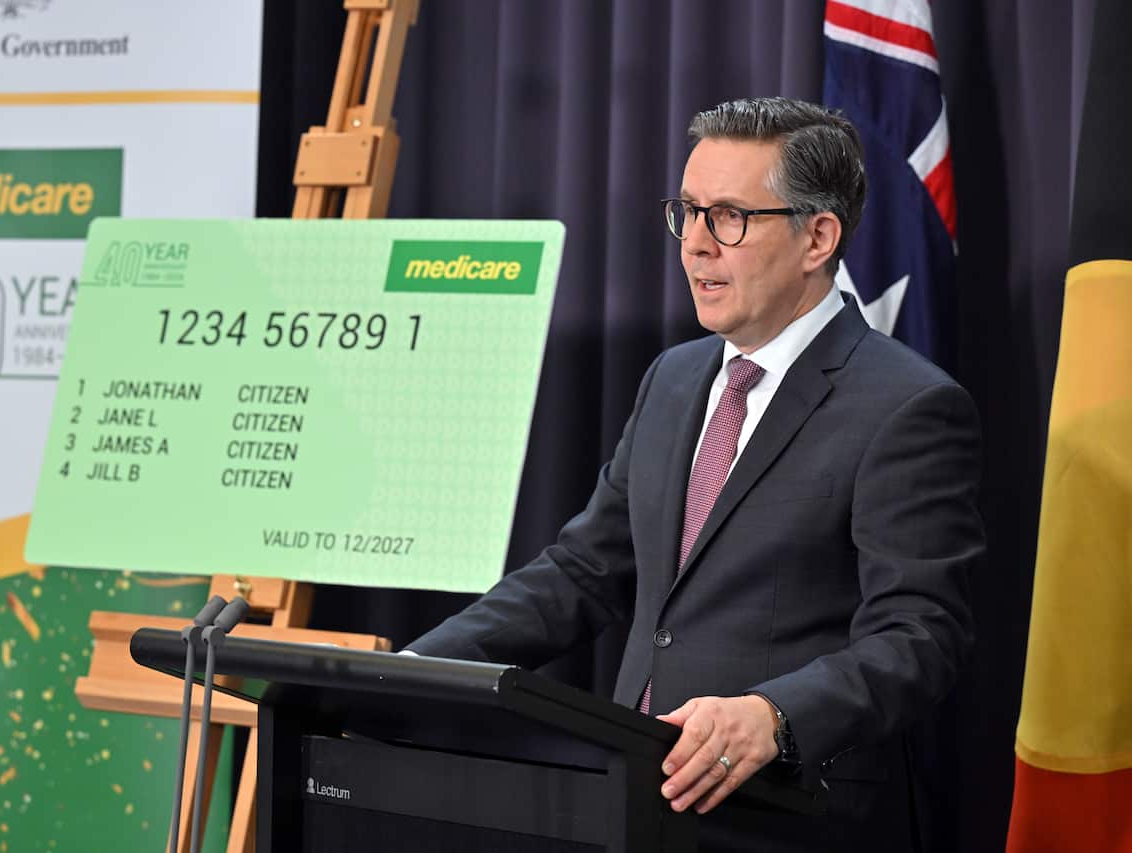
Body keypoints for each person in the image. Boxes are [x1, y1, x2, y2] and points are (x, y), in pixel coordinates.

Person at [405, 97, 983, 851]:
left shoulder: (907, 406)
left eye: (731, 217)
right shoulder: (674, 379)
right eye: (689, 212)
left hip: (790, 817)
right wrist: (418, 667)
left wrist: (775, 716)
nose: (697, 245)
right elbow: (583, 572)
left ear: (818, 237)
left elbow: (921, 634)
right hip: (631, 805)